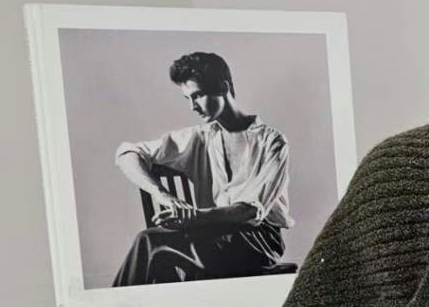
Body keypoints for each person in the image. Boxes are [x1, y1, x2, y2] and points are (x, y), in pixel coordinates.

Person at [112, 50, 293, 286]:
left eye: (197, 95)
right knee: (157, 252)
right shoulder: (200, 138)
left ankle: (114, 306)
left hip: (259, 241)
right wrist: (162, 195)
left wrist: (195, 217)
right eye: (187, 99)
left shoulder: (272, 141)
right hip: (209, 235)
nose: (193, 107)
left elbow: (251, 211)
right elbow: (127, 153)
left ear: (223, 87)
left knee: (151, 242)